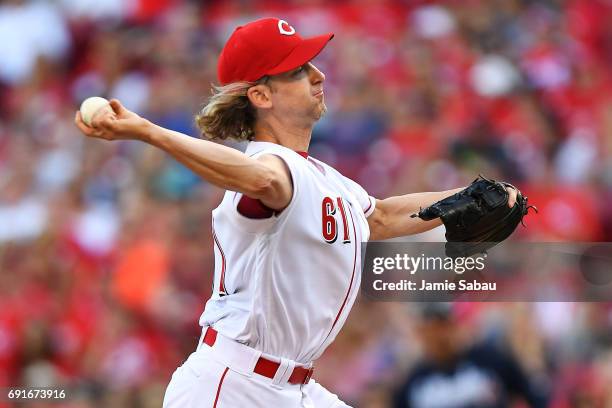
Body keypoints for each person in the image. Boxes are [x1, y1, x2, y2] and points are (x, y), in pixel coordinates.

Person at [74, 17, 517, 408]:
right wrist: (149, 132)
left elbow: (378, 216)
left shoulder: (324, 177)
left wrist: (464, 196)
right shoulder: (273, 167)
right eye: (299, 69)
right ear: (261, 95)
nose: (318, 74)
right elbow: (262, 179)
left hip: (293, 388)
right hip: (232, 387)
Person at [392, 303, 549, 408]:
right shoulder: (415, 382)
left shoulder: (490, 360)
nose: (437, 335)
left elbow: (534, 396)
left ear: (454, 324)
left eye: (442, 325)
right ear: (420, 332)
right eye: (429, 328)